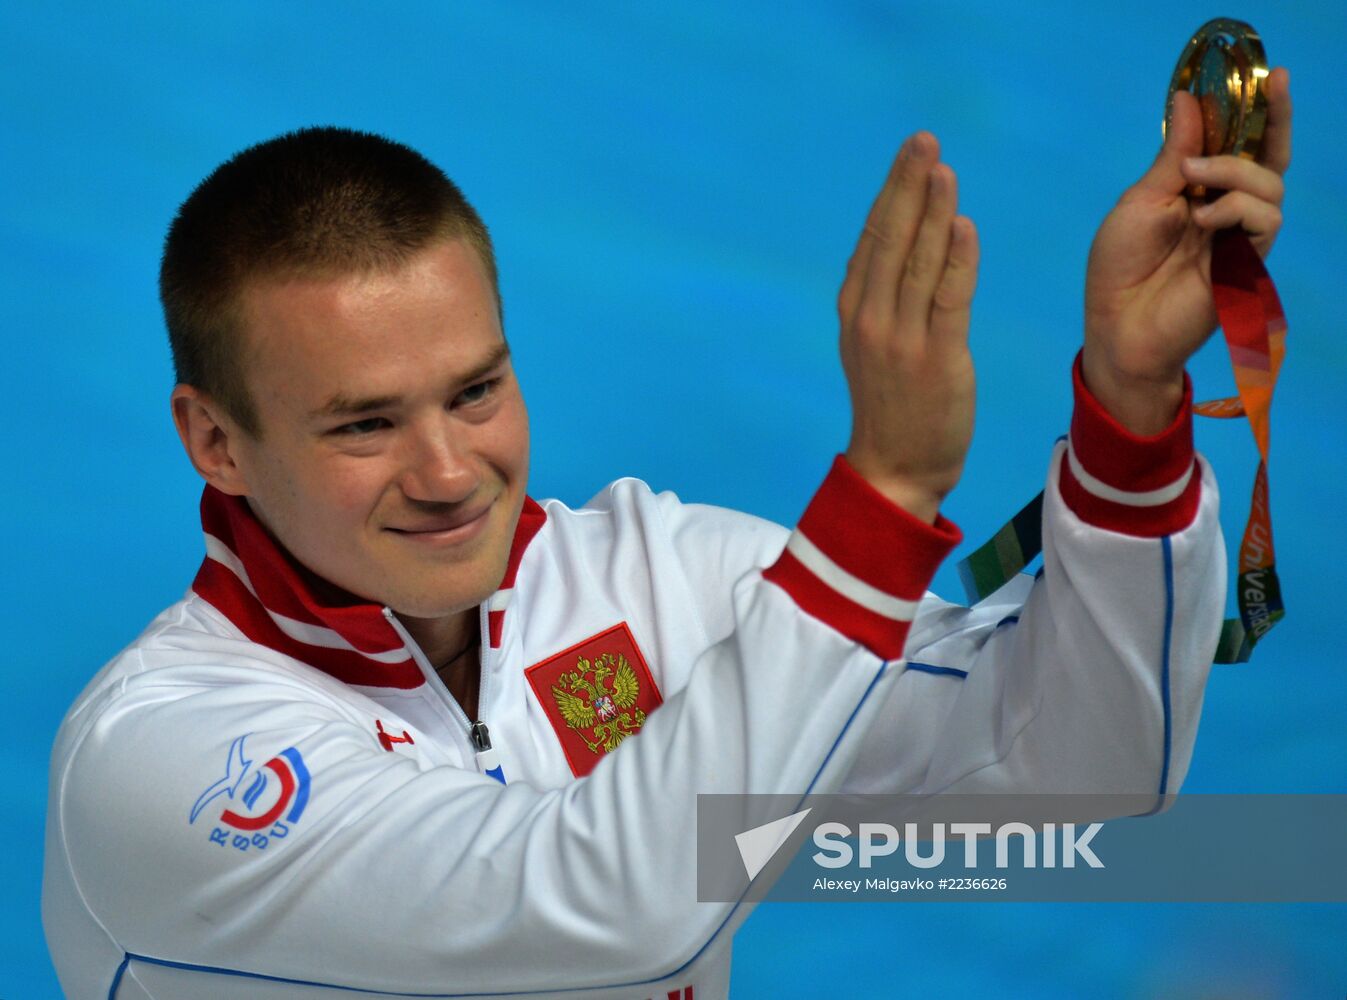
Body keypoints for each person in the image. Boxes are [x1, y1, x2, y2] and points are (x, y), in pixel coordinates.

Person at [43, 70, 1291, 999]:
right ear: (213, 441)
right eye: (365, 423)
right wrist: (883, 499)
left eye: (476, 390)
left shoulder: (657, 579)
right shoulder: (165, 762)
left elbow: (1077, 779)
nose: (447, 471)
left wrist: (1131, 417)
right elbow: (602, 907)